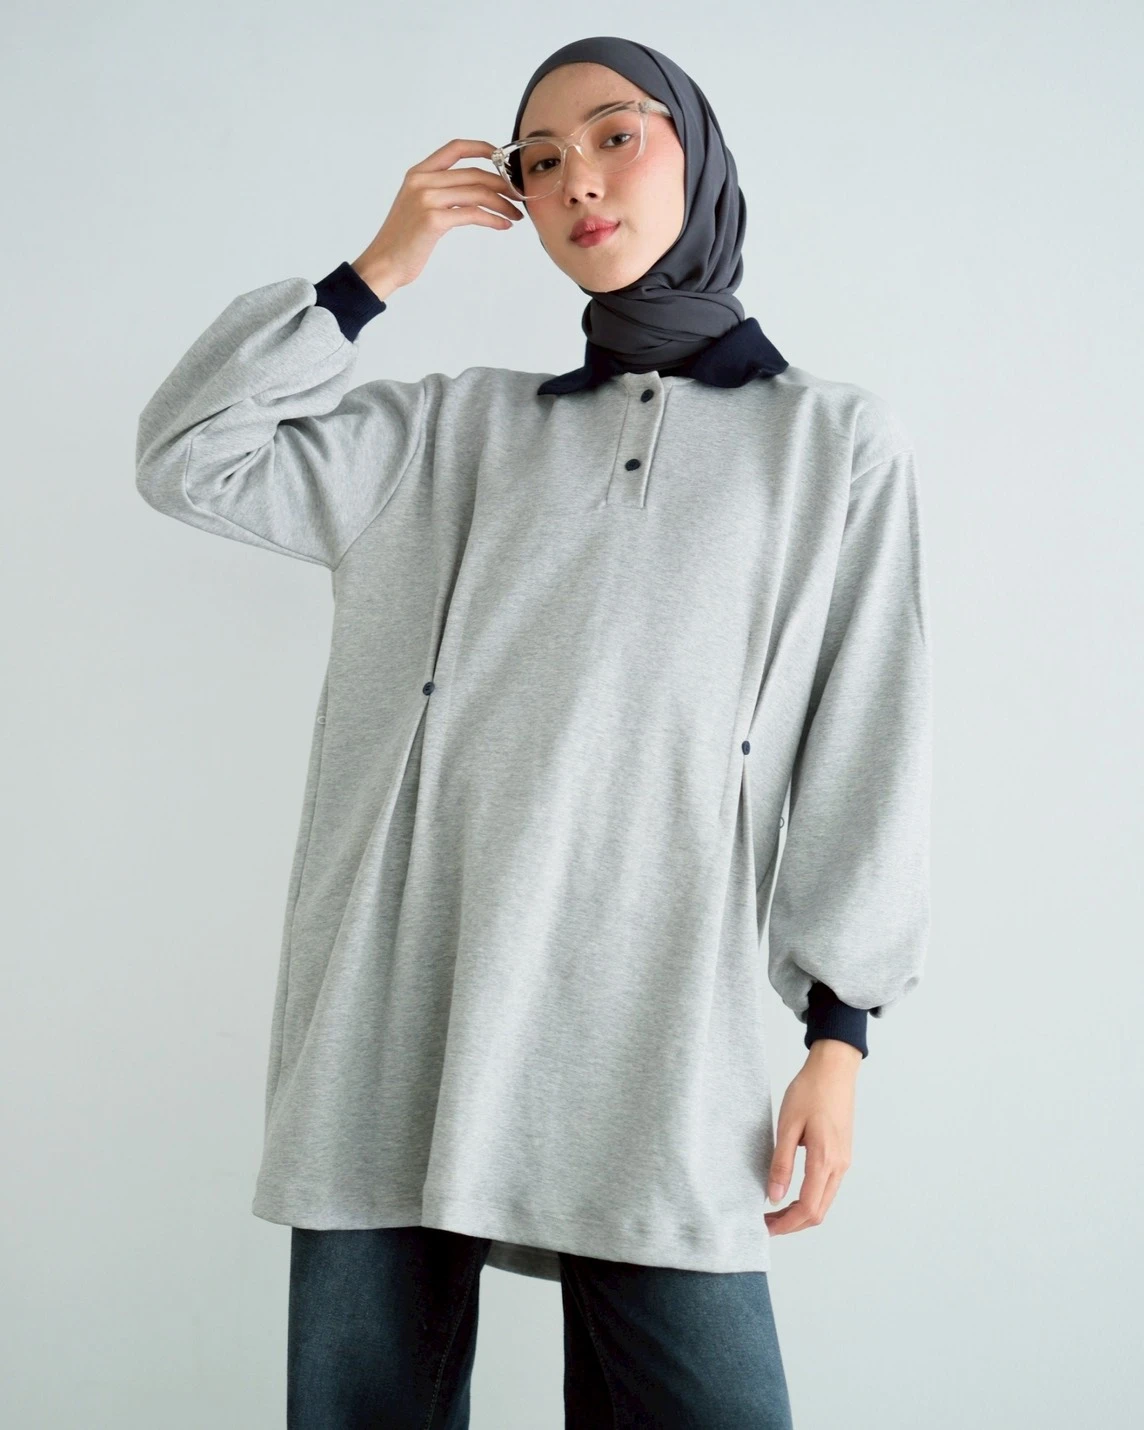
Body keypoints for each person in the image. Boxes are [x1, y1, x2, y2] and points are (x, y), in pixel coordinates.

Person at [135, 34, 932, 1430]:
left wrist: (838, 1033)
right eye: (541, 160)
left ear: (697, 150)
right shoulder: (452, 435)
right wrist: (372, 274)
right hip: (399, 1013)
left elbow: (867, 738)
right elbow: (190, 456)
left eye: (617, 136)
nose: (580, 181)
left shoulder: (827, 445)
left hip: (654, 1034)